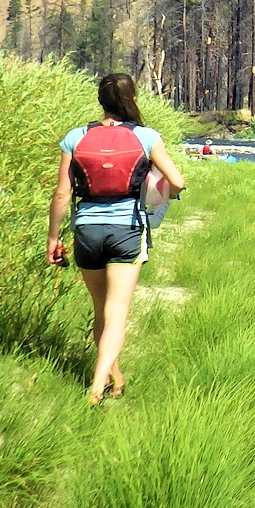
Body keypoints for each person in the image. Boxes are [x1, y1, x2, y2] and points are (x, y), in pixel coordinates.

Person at [46, 73, 186, 406]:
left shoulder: (76, 137)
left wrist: (53, 238)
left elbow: (62, 193)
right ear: (132, 98)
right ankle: (97, 385)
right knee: (117, 313)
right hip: (127, 230)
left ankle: (115, 377)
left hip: (87, 231)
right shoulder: (147, 137)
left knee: (101, 311)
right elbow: (178, 181)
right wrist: (160, 195)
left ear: (100, 99)